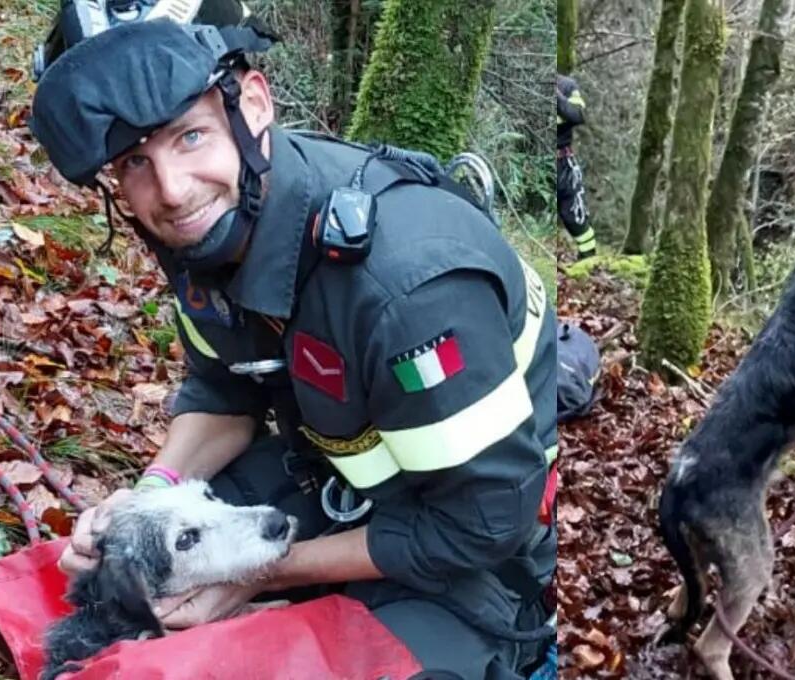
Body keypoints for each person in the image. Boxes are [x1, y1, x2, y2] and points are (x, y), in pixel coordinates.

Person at [28, 2, 558, 678]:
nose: (171, 191)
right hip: (336, 477)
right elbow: (225, 389)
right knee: (133, 599)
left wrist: (260, 573)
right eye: (134, 160)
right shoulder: (215, 235)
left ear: (253, 104)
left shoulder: (404, 289)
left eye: (189, 137)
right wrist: (149, 500)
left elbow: (483, 523)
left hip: (476, 546)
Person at [556, 74, 595, 260]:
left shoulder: (567, 85)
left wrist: (557, 97)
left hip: (564, 163)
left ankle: (588, 258)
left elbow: (578, 114)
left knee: (574, 216)